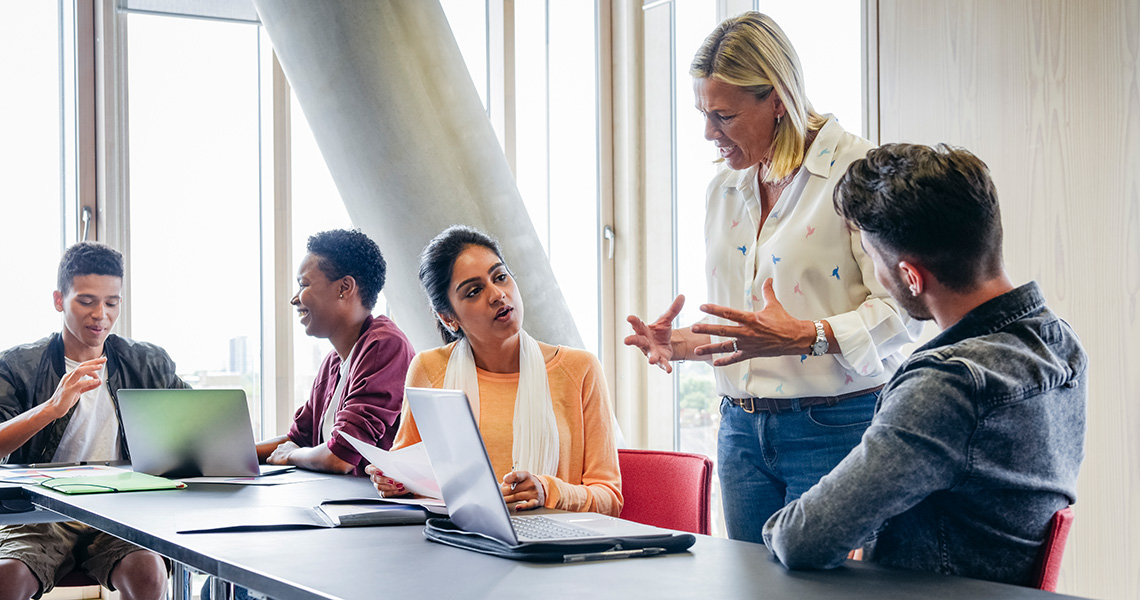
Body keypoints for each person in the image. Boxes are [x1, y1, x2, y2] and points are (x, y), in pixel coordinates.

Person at [624, 11, 919, 542]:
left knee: (819, 585)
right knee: (747, 581)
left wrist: (808, 335)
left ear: (778, 100)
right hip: (739, 431)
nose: (709, 133)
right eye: (703, 114)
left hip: (836, 427)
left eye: (724, 116)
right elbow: (754, 329)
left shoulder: (859, 171)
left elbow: (904, 311)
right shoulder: (724, 187)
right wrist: (684, 344)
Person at [763, 143, 1087, 586]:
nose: (877, 276)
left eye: (873, 260)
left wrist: (787, 529)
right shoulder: (1059, 343)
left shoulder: (948, 385)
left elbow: (801, 538)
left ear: (911, 276)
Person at [369, 225, 621, 516]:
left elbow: (610, 499)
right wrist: (394, 482)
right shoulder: (428, 369)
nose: (498, 295)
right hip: (458, 536)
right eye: (474, 291)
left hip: (555, 539)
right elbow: (408, 474)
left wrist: (548, 491)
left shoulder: (580, 369)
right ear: (448, 318)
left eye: (500, 277)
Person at [0, 242, 185, 600]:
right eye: (86, 301)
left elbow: (199, 426)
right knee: (7, 577)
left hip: (118, 510)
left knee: (149, 572)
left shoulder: (147, 363)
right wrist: (52, 407)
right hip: (40, 513)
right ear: (59, 300)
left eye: (112, 303)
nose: (100, 314)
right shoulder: (18, 365)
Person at [256, 229, 414, 475]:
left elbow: (341, 457)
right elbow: (297, 439)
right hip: (331, 495)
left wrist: (291, 455)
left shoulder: (385, 346)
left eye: (304, 285)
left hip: (370, 498)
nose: (294, 299)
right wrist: (221, 455)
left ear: (345, 287)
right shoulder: (333, 363)